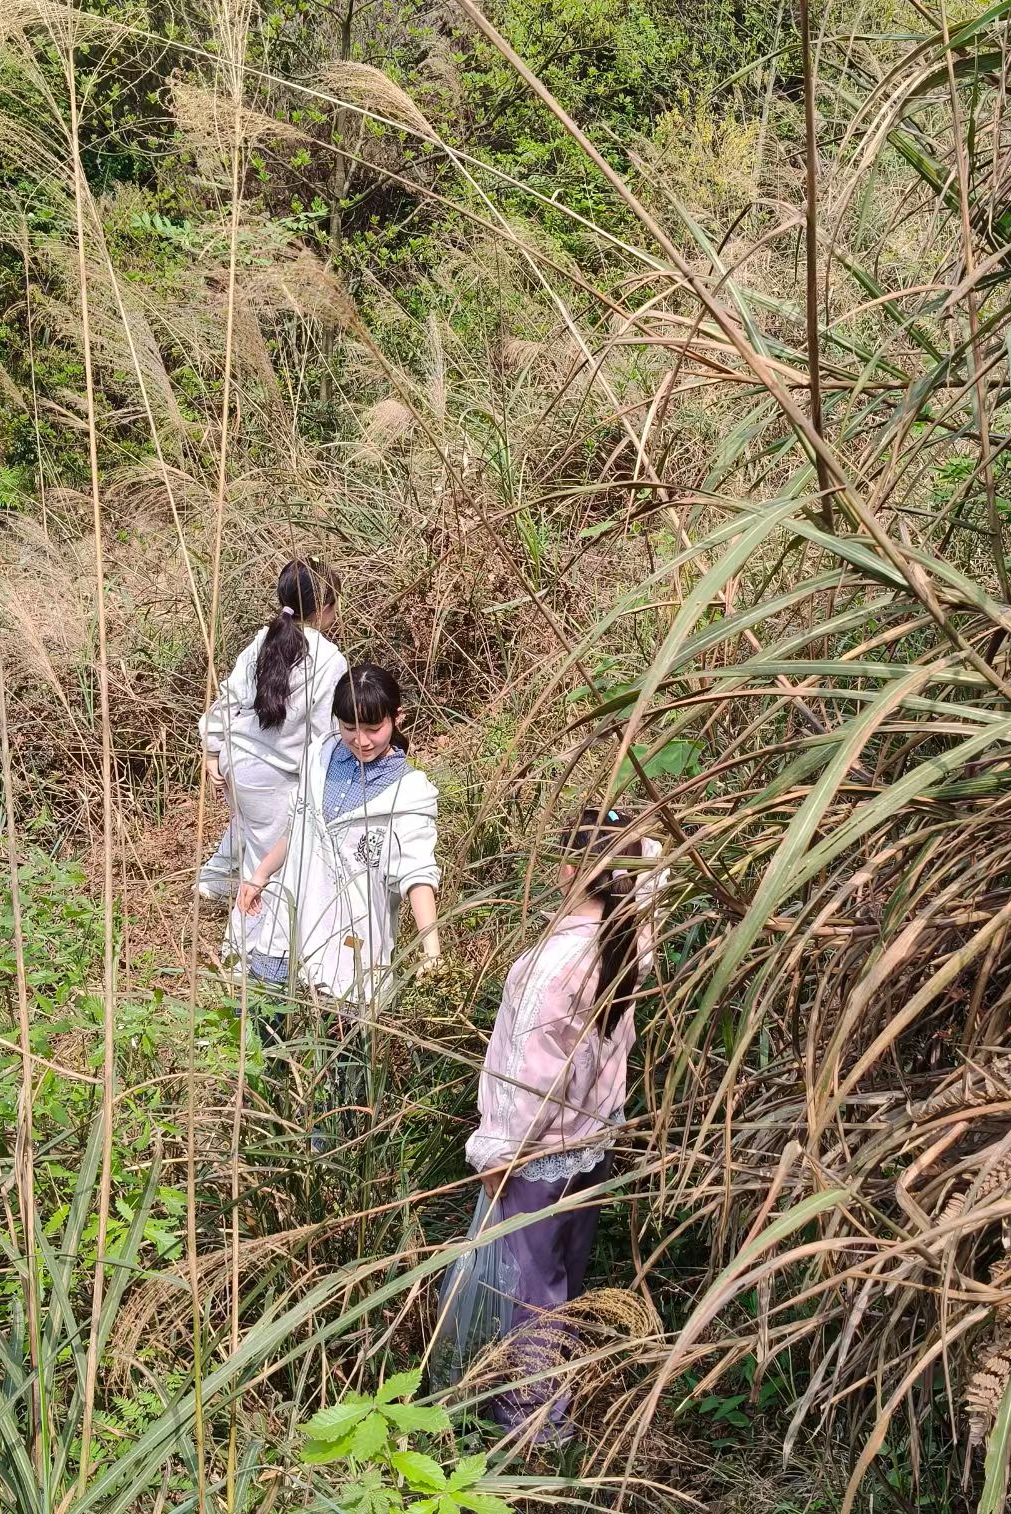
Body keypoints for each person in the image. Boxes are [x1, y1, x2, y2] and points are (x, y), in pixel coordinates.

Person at [432, 807, 664, 1434]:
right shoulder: (629, 941)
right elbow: (653, 878)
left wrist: (497, 1154)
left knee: (527, 1289)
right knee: (562, 1276)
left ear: (567, 870)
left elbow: (527, 1075)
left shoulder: (551, 966)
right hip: (591, 1143)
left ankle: (531, 1419)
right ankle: (547, 1403)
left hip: (536, 1154)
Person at [234, 664, 442, 1005]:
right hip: (292, 919)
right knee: (267, 1020)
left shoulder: (410, 792)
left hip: (352, 938)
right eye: (349, 728)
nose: (361, 741)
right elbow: (299, 828)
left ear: (397, 718)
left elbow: (417, 875)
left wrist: (431, 951)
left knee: (340, 1030)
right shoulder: (321, 754)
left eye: (374, 729)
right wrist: (260, 875)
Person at [197, 560, 347, 919]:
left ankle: (214, 881)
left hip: (237, 761)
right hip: (275, 777)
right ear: (325, 607)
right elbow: (325, 733)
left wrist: (212, 749)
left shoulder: (262, 640)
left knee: (249, 823)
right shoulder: (328, 659)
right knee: (272, 868)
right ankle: (252, 939)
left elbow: (229, 698)